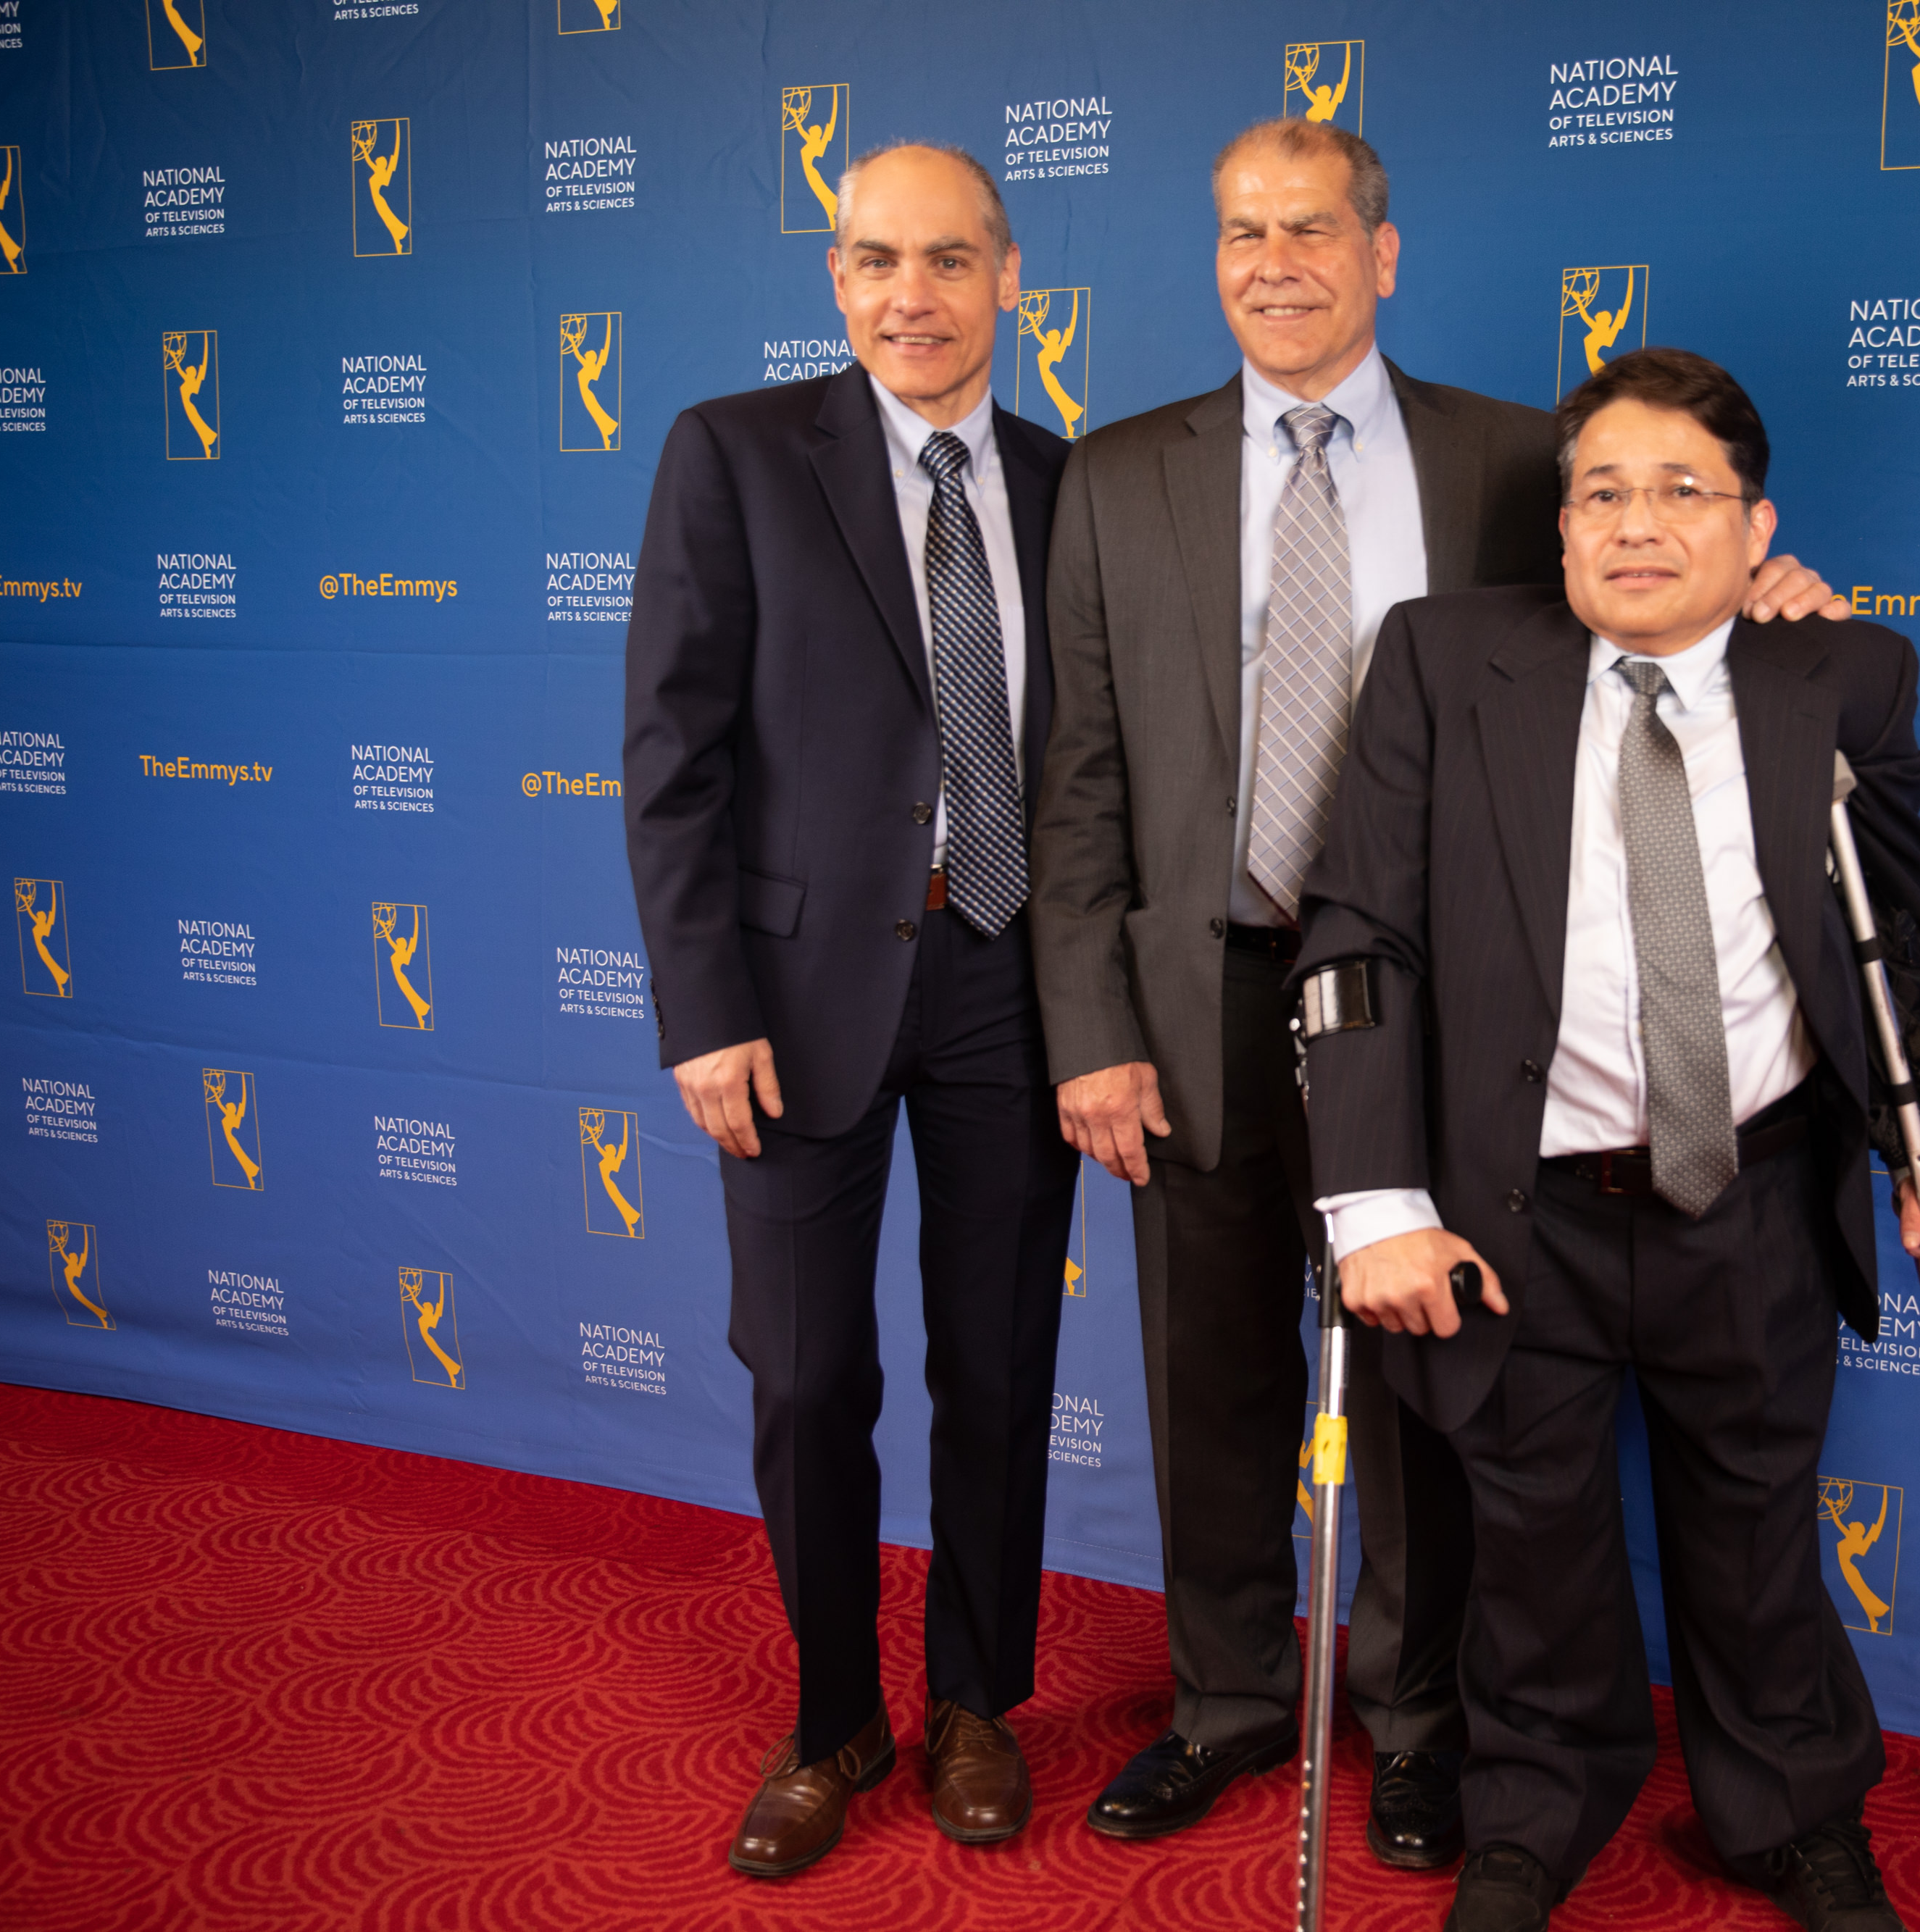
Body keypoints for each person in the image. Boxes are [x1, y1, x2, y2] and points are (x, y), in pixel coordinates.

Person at [1031, 121, 1851, 1870]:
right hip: (1203, 990)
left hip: (1446, 999)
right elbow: (1077, 776)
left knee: (1432, 1371)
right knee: (1205, 1373)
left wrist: (1768, 592)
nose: (1274, 262)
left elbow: (1646, 586)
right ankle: (1229, 1697)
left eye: (1310, 228)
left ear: (1381, 252)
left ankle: (1417, 1720)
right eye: (1241, 231)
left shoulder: (1507, 455)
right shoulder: (1115, 473)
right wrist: (1091, 1025)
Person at [1294, 346, 1920, 1932]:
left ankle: (1792, 1806)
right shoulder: (1442, 661)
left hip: (1751, 1192)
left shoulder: (1845, 675)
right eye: (1600, 492)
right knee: (1529, 1540)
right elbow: (1357, 933)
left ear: (1756, 526)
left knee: (1756, 1533)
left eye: (1683, 490)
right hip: (1510, 1206)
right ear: (1561, 527)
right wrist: (1373, 1200)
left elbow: (1900, 934)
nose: (1636, 522)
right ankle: (1531, 1810)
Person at [622, 141, 1076, 1879]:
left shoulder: (1066, 482)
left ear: (1009, 277)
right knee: (808, 1375)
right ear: (836, 277)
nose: (912, 294)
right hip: (795, 995)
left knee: (999, 1364)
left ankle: (974, 1699)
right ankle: (832, 1718)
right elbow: (672, 753)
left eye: (949, 259)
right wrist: (701, 1006)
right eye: (877, 259)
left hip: (1008, 976)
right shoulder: (733, 454)